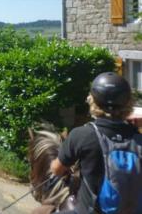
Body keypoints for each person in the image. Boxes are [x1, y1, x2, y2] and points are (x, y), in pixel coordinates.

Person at [50, 72, 140, 214]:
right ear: (128, 102)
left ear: (93, 101)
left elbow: (56, 170)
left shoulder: (82, 135)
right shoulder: (138, 139)